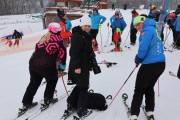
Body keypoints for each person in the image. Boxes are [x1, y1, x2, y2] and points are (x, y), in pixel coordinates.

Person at [19, 23, 67, 113]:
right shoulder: (60, 40)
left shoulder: (44, 37)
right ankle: (47, 99)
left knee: (34, 82)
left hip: (33, 64)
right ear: (59, 31)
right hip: (46, 65)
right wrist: (62, 65)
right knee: (52, 80)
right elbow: (63, 55)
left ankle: (26, 102)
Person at [130, 16, 166, 120]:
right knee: (149, 87)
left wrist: (138, 58)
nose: (137, 27)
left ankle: (133, 114)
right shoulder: (153, 29)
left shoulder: (146, 31)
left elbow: (143, 48)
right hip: (160, 64)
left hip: (150, 65)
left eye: (138, 24)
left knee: (139, 89)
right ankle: (150, 111)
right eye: (135, 26)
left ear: (143, 22)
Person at [65, 15, 100, 119]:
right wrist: (77, 66)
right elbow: (73, 53)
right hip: (78, 65)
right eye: (86, 25)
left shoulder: (85, 35)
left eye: (89, 26)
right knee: (84, 87)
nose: (88, 28)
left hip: (84, 65)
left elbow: (87, 51)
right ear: (81, 25)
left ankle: (71, 102)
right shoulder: (77, 36)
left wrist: (92, 63)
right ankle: (81, 110)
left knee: (81, 85)